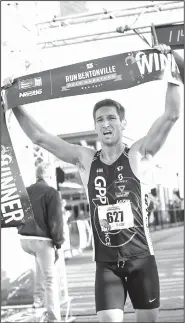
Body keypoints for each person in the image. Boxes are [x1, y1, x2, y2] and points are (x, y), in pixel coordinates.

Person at [3, 44, 182, 322]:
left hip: (141, 260)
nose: (106, 123)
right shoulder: (85, 159)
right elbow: (40, 138)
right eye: (100, 120)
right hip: (106, 265)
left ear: (123, 123)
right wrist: (15, 103)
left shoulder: (137, 153)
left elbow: (171, 114)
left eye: (111, 118)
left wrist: (171, 63)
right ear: (95, 127)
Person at [18, 162, 64, 322]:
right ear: (50, 176)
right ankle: (54, 317)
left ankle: (38, 302)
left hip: (25, 240)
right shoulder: (51, 192)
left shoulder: (25, 191)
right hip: (42, 240)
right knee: (51, 278)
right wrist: (58, 244)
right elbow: (56, 222)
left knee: (40, 266)